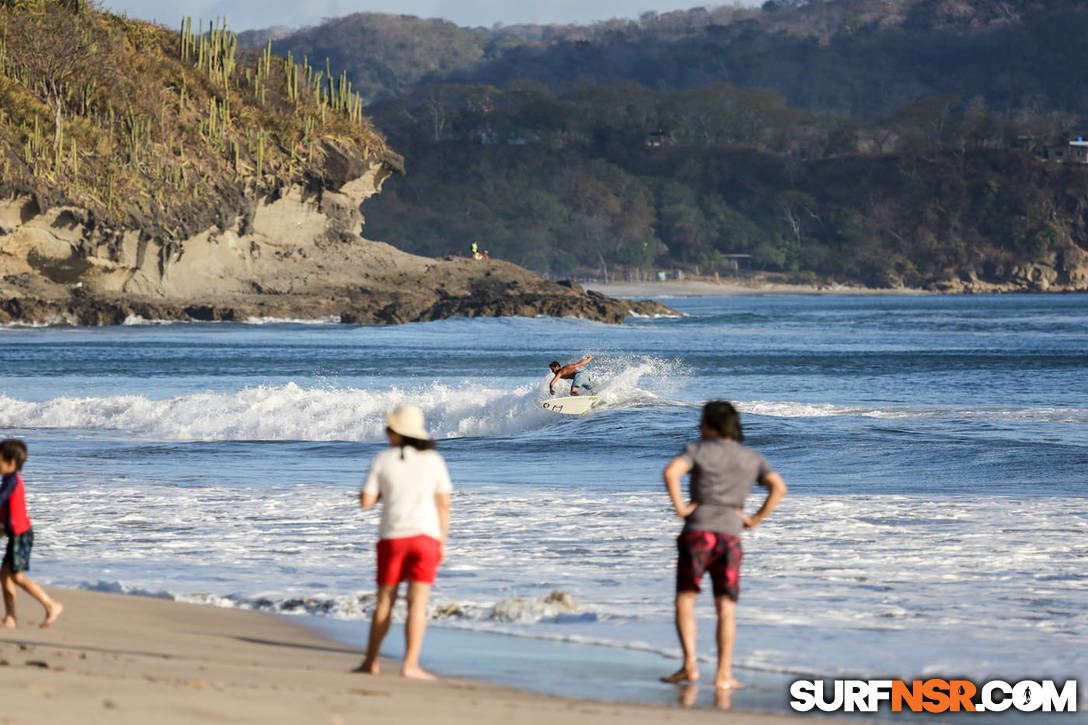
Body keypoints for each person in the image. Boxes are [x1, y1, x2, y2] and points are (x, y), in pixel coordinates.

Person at [661, 401, 786, 690]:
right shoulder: (751, 457)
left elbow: (671, 473)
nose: (698, 426)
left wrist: (681, 508)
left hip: (697, 532)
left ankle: (690, 666)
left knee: (686, 598)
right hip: (730, 536)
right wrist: (754, 519)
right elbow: (779, 488)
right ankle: (723, 675)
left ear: (710, 425)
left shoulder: (697, 450)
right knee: (725, 606)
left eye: (702, 422)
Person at [354, 406, 451, 680]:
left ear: (396, 433)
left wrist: (386, 493)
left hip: (393, 538)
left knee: (385, 600)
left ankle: (371, 662)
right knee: (417, 606)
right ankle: (410, 666)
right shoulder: (434, 460)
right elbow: (444, 506)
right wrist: (441, 543)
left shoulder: (383, 460)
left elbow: (366, 502)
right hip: (427, 539)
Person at [0, 439, 63, 629]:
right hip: (17, 534)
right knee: (5, 575)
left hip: (21, 536)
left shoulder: (12, 481)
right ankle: (10, 618)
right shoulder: (9, 480)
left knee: (16, 576)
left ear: (10, 463)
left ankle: (51, 605)